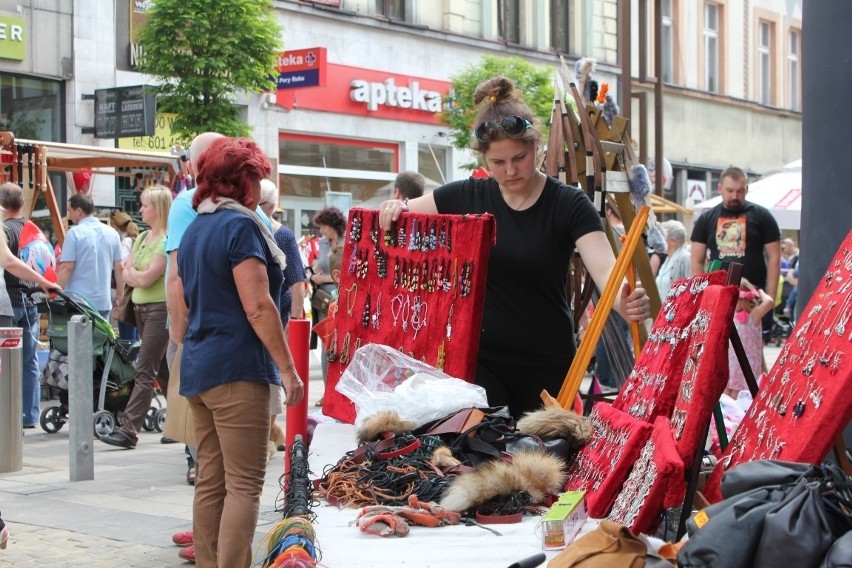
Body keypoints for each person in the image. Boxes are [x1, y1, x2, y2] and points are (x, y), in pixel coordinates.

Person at [378, 75, 650, 419]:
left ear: (536, 146)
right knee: (487, 455)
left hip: (547, 360)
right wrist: (395, 209)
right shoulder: (469, 194)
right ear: (484, 160)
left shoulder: (569, 204)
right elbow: (398, 215)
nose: (510, 171)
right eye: (498, 163)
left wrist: (624, 301)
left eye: (519, 158)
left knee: (542, 461)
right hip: (482, 357)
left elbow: (605, 270)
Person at [172, 136, 304, 568]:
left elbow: (182, 301)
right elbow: (259, 306)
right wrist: (288, 370)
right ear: (243, 180)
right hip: (238, 369)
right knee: (244, 485)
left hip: (200, 366)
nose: (261, 186)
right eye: (257, 176)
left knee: (212, 480)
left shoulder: (195, 228)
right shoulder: (241, 225)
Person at [100, 186, 172, 450]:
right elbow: (126, 269)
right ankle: (179, 423)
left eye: (144, 205)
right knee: (161, 367)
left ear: (158, 209)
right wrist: (135, 274)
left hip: (159, 310)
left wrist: (135, 274)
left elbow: (143, 276)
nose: (140, 210)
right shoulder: (142, 238)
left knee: (144, 369)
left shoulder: (166, 240)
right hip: (142, 310)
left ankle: (129, 430)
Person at [690, 167, 781, 343]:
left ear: (746, 189)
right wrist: (702, 296)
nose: (734, 196)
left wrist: (769, 296)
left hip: (753, 298)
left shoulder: (763, 216)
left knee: (755, 348)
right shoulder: (706, 219)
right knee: (717, 346)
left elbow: (774, 259)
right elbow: (696, 260)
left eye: (740, 191)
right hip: (718, 297)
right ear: (720, 189)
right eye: (730, 190)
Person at [0, 182, 61, 428]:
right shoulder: (32, 229)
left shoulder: (4, 230)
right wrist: (44, 282)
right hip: (30, 301)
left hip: (8, 304)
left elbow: (8, 262)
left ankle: (7, 416)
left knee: (6, 363)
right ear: (22, 203)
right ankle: (29, 415)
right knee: (29, 362)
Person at [259, 178, 307, 456]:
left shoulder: (283, 235)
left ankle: (269, 433)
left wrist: (296, 323)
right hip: (262, 314)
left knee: (274, 375)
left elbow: (296, 281)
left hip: (279, 314)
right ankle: (273, 432)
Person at [57, 194, 125, 319]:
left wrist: (55, 292)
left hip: (78, 302)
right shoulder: (112, 233)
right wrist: (120, 294)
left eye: (70, 211)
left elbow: (67, 267)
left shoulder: (74, 233)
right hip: (103, 302)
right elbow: (119, 267)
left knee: (77, 338)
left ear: (79, 211)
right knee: (100, 338)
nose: (69, 215)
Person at [308, 206, 346, 407]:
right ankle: (327, 390)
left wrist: (323, 276)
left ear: (333, 225)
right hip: (324, 299)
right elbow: (319, 264)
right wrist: (313, 273)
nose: (321, 230)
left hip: (343, 296)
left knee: (343, 344)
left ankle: (340, 389)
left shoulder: (347, 241)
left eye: (323, 226)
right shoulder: (322, 244)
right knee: (326, 345)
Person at [725, 279, 774, 399]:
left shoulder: (754, 314)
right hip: (732, 363)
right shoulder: (730, 315)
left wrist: (760, 291)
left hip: (747, 364)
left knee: (742, 395)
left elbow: (769, 302)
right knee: (727, 394)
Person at [109, 211, 140, 341]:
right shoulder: (137, 239)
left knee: (127, 333)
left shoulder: (126, 241)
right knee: (134, 331)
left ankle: (129, 360)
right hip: (136, 289)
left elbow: (121, 265)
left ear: (116, 226)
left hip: (126, 290)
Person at [655, 220, 691, 296]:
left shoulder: (685, 257)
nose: (659, 241)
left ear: (673, 241)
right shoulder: (668, 258)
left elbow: (691, 289)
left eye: (662, 237)